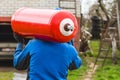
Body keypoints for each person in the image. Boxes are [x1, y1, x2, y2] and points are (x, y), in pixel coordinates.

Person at [13, 33, 82, 80]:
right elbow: (76, 65)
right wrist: (69, 42)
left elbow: (18, 64)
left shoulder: (33, 44)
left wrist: (20, 43)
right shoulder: (69, 49)